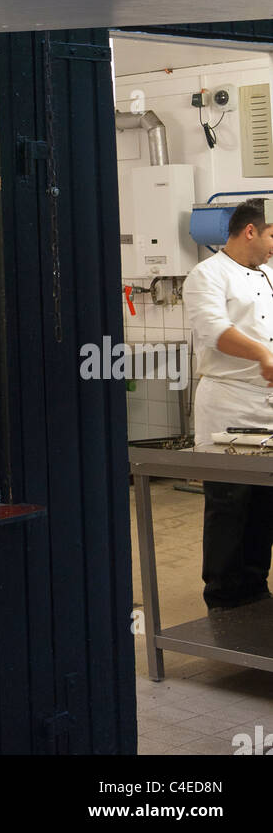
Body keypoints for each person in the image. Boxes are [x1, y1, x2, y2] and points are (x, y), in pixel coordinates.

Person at [183, 198, 273, 610]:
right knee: (229, 504)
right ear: (250, 231)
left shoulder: (269, 274)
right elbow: (215, 331)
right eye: (272, 236)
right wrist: (262, 354)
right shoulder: (207, 275)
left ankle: (255, 589)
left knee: (262, 504)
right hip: (229, 407)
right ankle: (222, 597)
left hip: (267, 405)